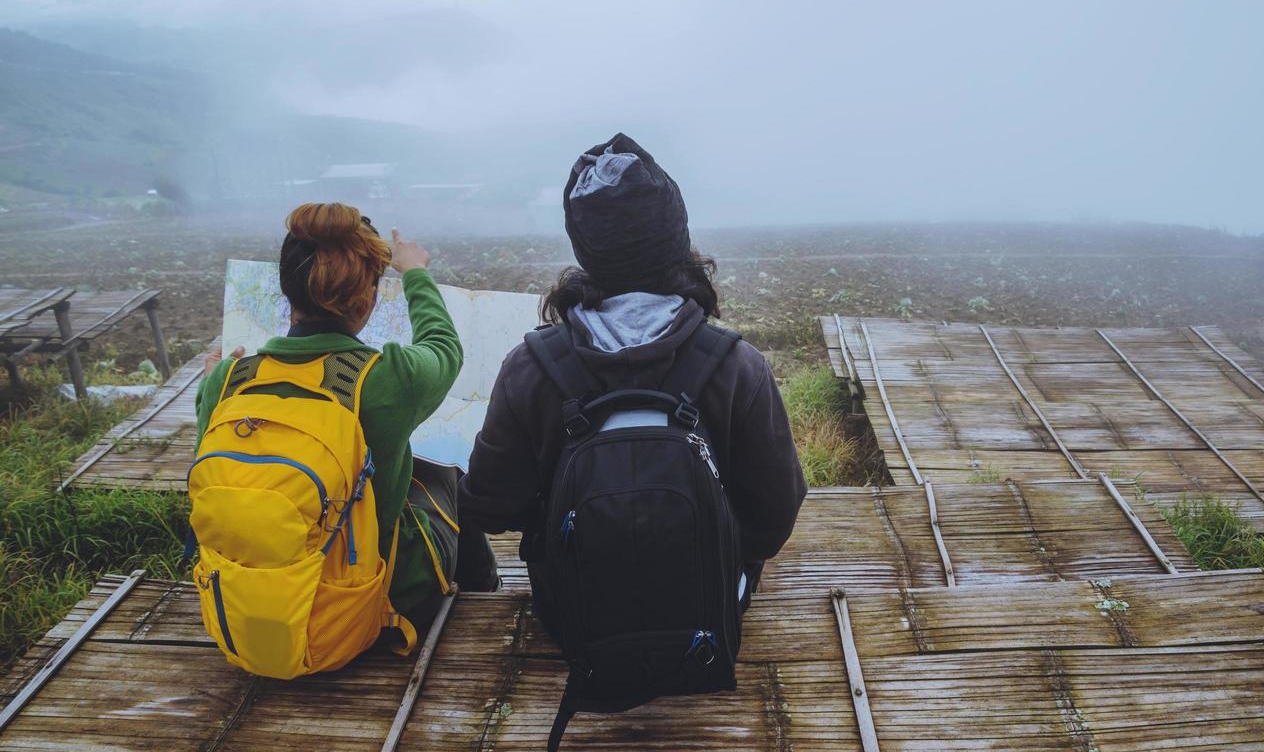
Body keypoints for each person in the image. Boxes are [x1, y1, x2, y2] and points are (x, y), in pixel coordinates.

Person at [460, 132, 806, 618]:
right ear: (677, 239)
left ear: (584, 248)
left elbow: (491, 507)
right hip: (707, 614)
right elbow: (774, 513)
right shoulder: (736, 364)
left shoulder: (530, 366)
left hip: (572, 615)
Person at [193, 202, 497, 667]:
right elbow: (443, 347)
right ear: (368, 299)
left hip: (242, 606)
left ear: (286, 289)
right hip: (365, 610)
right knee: (446, 478)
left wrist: (209, 386)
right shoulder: (387, 377)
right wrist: (414, 271)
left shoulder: (228, 379)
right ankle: (483, 601)